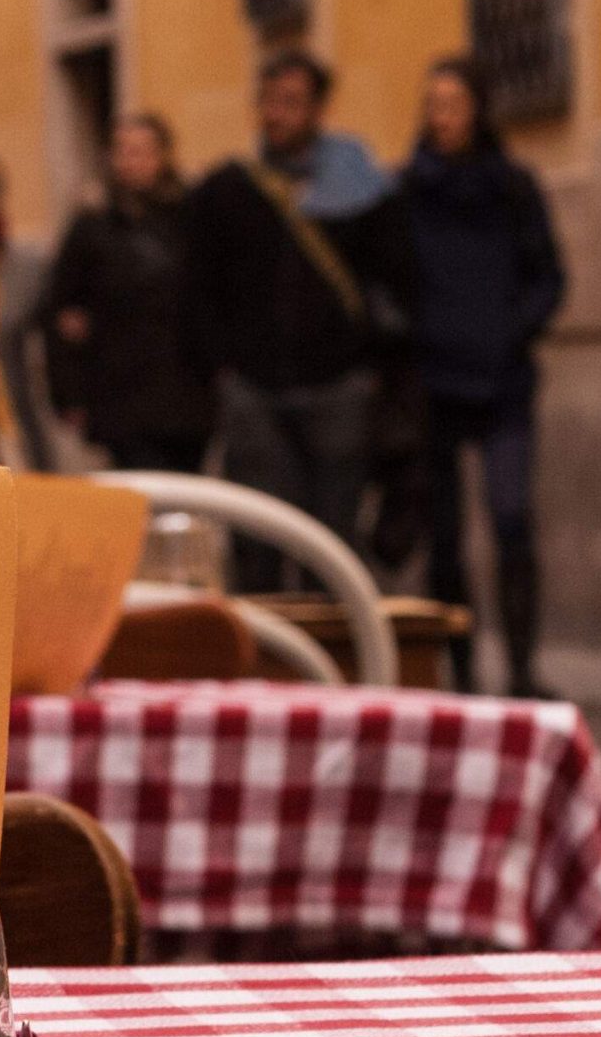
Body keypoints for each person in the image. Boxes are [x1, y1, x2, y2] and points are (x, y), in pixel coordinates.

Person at [182, 50, 401, 587]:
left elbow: (391, 282)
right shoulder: (228, 192)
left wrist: (370, 368)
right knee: (259, 542)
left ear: (318, 109)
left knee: (331, 545)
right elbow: (198, 287)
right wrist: (223, 370)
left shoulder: (362, 191)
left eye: (291, 102)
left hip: (338, 388)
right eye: (269, 101)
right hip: (255, 391)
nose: (276, 114)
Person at [397, 55, 567, 697]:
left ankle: (521, 666)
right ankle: (460, 670)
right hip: (433, 387)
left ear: (477, 111)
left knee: (513, 516)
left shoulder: (513, 188)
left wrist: (510, 329)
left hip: (501, 383)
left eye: (453, 104)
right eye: (433, 105)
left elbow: (549, 277)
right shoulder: (408, 191)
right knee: (444, 541)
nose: (442, 118)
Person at [31, 114, 212, 471]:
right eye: (123, 152)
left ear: (163, 157)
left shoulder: (191, 218)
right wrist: (68, 394)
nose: (131, 162)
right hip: (121, 397)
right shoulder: (92, 225)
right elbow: (60, 310)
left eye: (141, 152)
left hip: (187, 397)